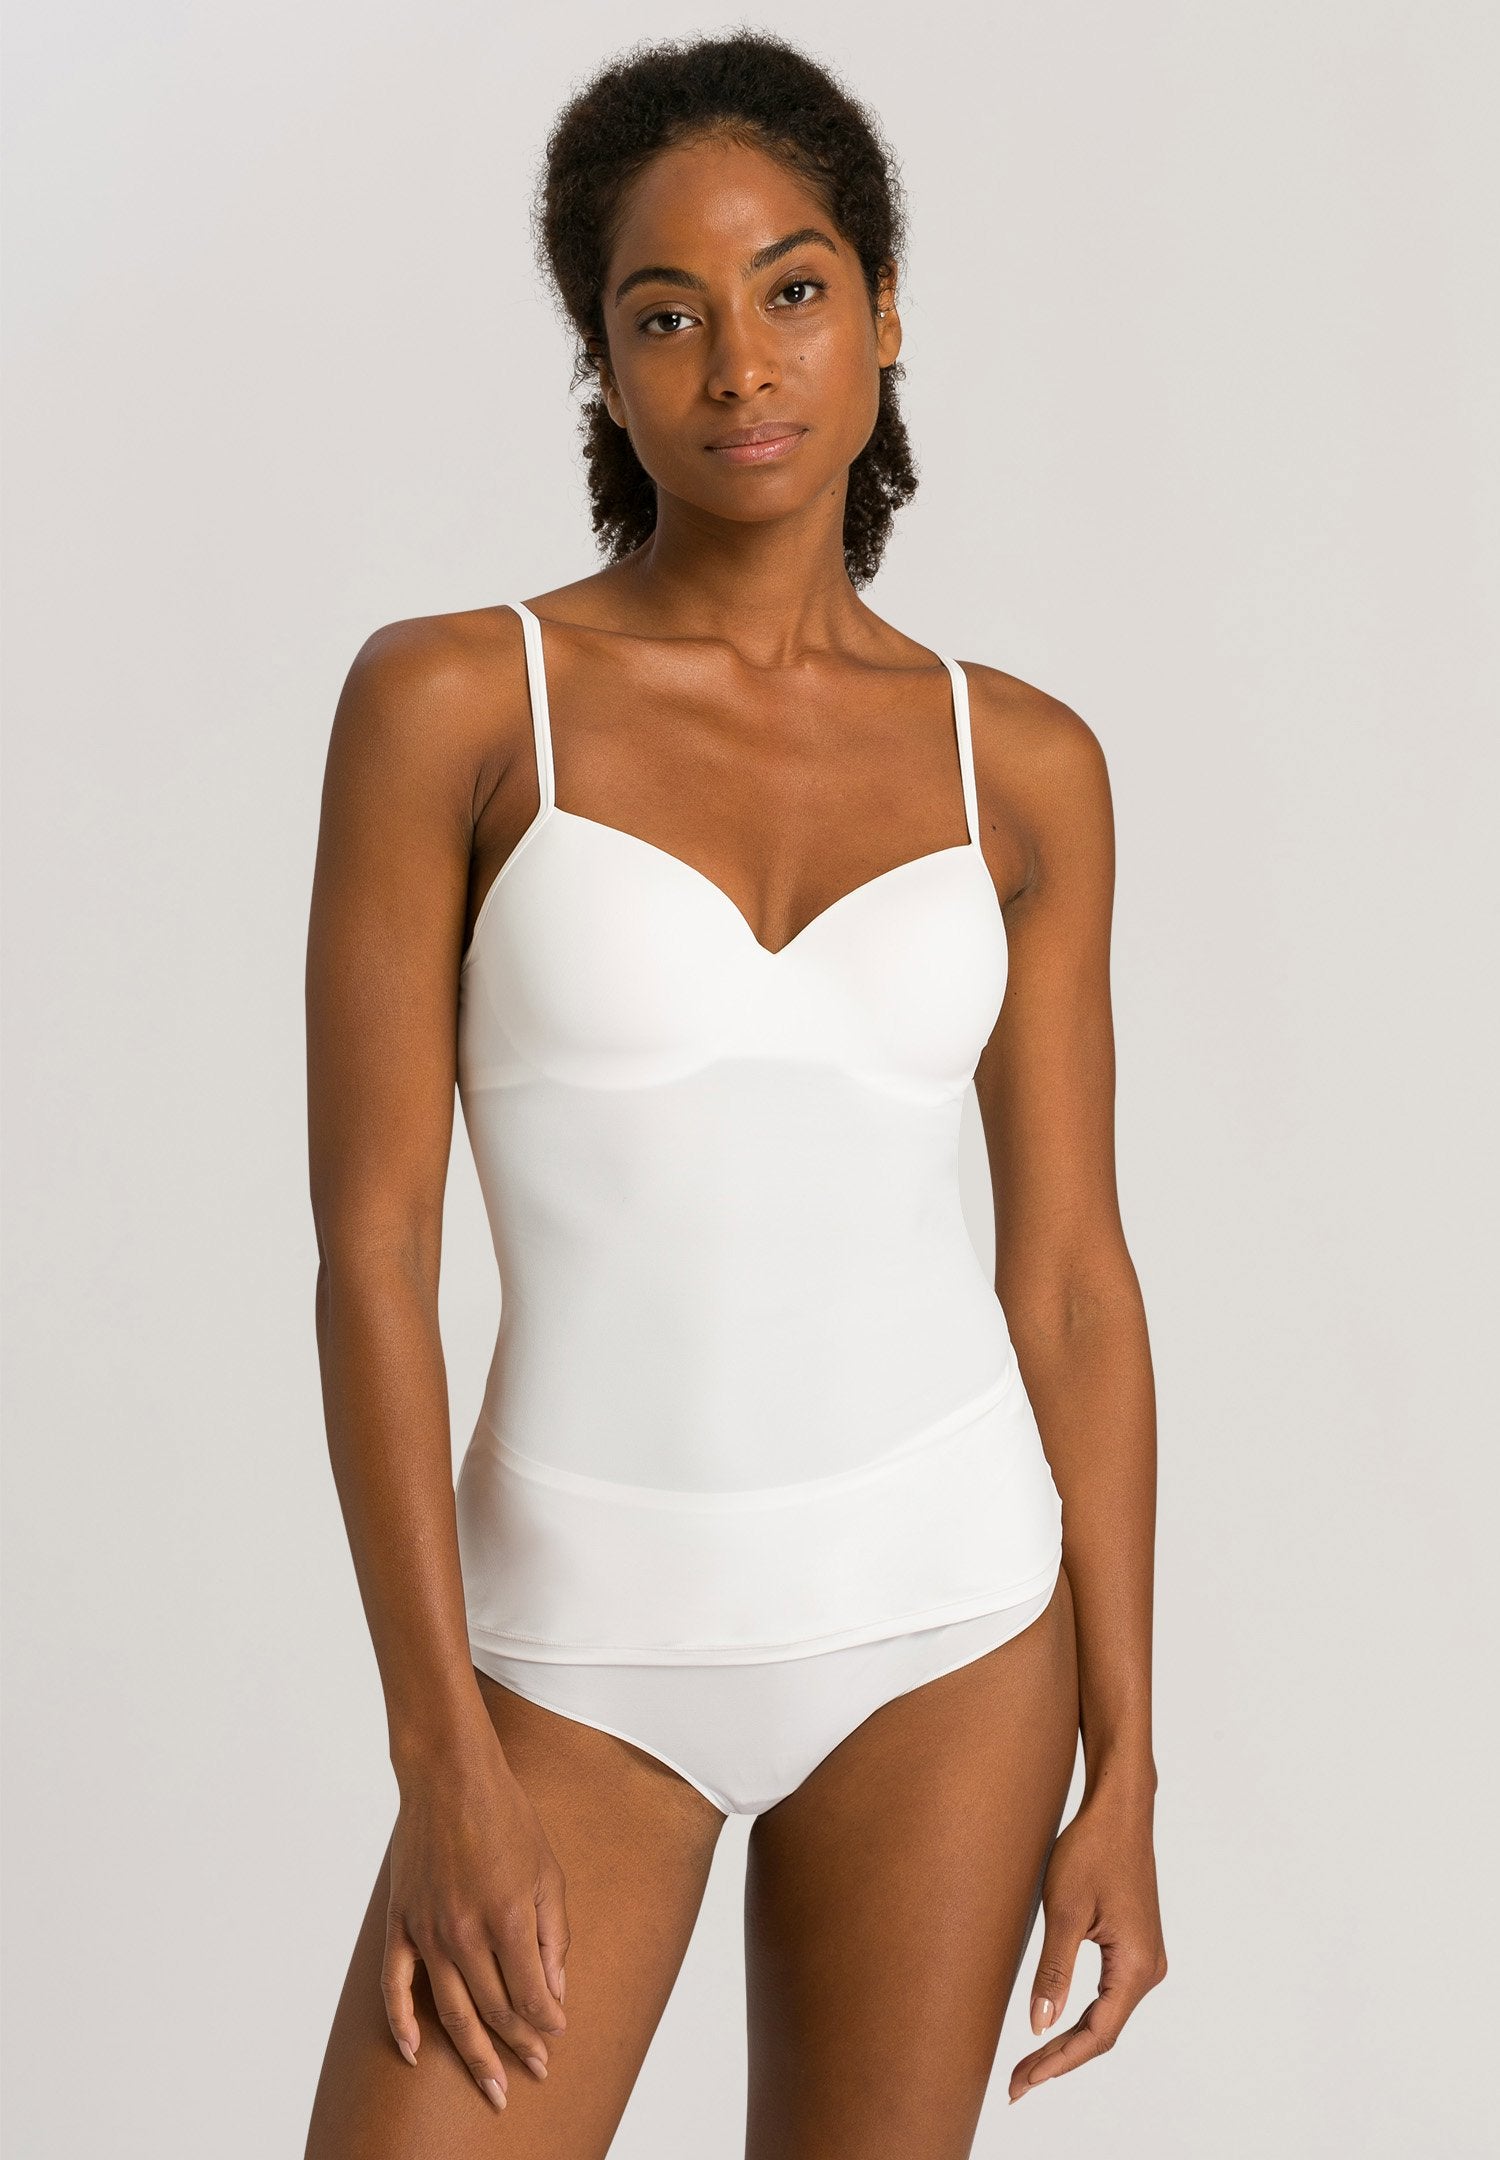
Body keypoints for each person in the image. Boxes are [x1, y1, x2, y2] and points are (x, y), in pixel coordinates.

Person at [303, 30, 1165, 2158]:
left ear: (885, 316)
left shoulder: (1021, 762)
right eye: (664, 314)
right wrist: (440, 1756)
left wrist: (1128, 1760)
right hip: (569, 1658)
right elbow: (371, 1256)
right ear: (601, 368)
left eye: (792, 290)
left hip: (955, 1631)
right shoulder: (454, 704)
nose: (741, 364)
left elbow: (1070, 1277)